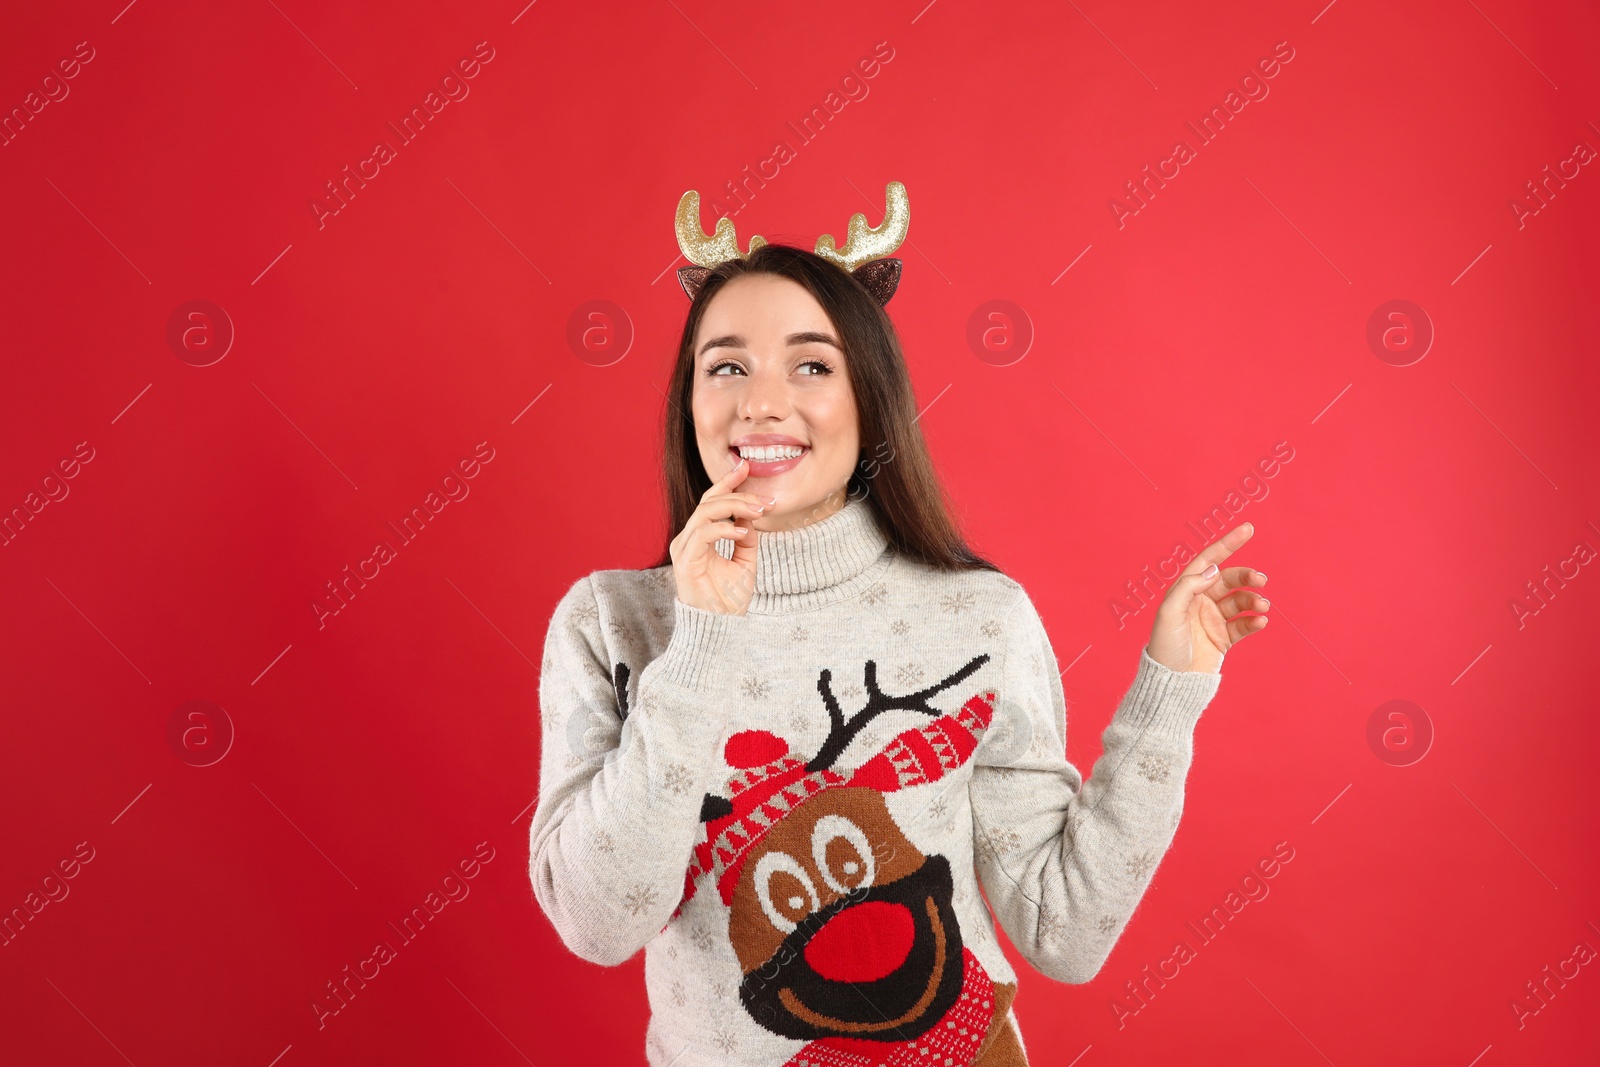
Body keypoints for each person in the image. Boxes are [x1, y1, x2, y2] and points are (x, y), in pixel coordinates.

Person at [529, 185, 1271, 1066]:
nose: (761, 403)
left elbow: (1064, 928)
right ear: (689, 402)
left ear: (870, 398)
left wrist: (1169, 694)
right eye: (726, 367)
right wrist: (698, 645)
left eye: (812, 366)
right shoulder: (608, 623)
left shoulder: (981, 616)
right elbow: (598, 922)